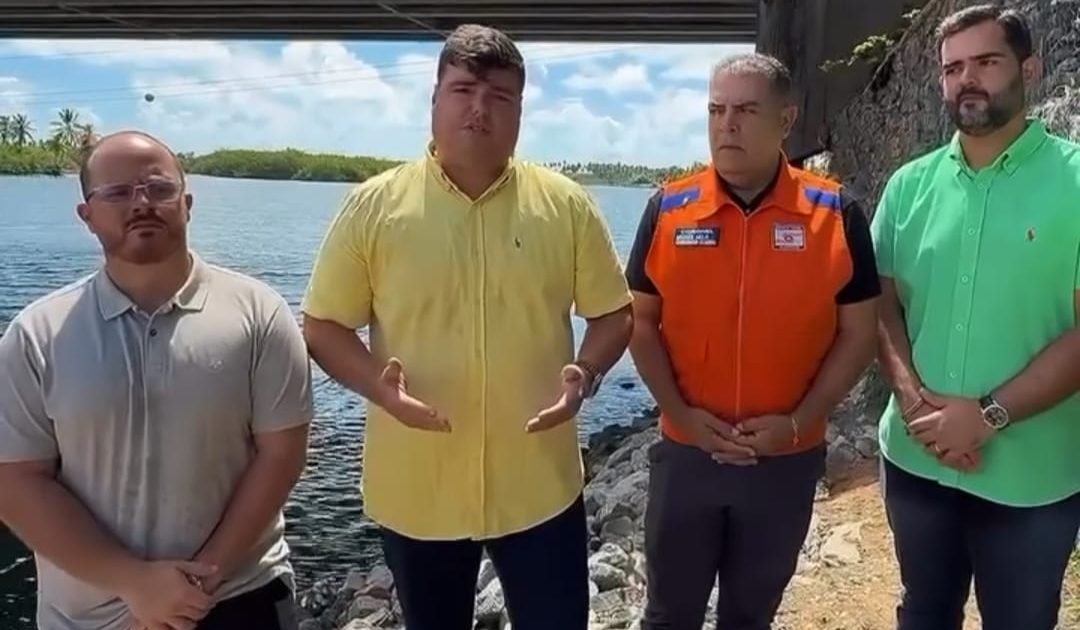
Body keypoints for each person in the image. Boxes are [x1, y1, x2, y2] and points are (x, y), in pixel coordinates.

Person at [300, 23, 633, 630]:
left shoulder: (567, 205)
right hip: (417, 489)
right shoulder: (373, 207)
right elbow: (322, 326)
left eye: (499, 96)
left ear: (520, 111)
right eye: (462, 91)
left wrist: (585, 373)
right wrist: (379, 389)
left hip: (539, 485)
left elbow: (614, 313)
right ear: (434, 100)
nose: (480, 109)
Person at [0, 130, 314, 630]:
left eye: (159, 188)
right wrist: (134, 582)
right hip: (87, 617)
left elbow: (281, 454)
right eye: (118, 193)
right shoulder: (36, 335)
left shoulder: (260, 313)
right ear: (86, 215)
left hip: (238, 595)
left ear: (186, 204)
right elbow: (16, 479)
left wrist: (195, 585)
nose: (141, 203)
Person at [625, 52, 881, 630]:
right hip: (687, 456)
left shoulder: (836, 214)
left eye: (745, 110)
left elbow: (859, 332)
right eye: (716, 110)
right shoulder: (667, 210)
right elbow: (639, 323)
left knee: (750, 616)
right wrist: (681, 416)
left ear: (786, 120)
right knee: (668, 616)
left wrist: (797, 422)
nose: (727, 125)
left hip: (784, 461)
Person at [871, 6, 1080, 629]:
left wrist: (987, 415)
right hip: (915, 463)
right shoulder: (908, 187)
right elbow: (879, 302)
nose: (967, 79)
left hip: (1031, 478)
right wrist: (913, 403)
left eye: (986, 62)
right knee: (924, 612)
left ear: (1029, 69)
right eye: (952, 68)